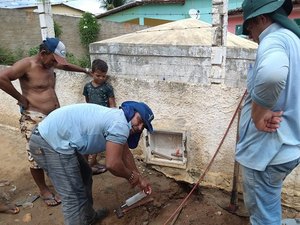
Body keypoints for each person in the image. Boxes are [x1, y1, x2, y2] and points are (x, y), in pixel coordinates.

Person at [28, 101, 154, 225]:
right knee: (73, 196)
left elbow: (125, 153)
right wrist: (131, 177)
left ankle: (88, 218)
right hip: (48, 143)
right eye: (139, 120)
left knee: (85, 174)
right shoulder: (120, 124)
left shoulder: (119, 118)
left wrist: (139, 178)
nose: (139, 127)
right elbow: (113, 164)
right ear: (132, 112)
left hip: (57, 139)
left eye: (143, 126)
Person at [0, 37, 91, 207]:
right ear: (43, 53)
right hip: (34, 118)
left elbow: (65, 65)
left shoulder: (51, 64)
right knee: (35, 156)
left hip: (54, 118)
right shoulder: (27, 65)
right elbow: (2, 77)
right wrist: (20, 98)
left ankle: (60, 183)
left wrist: (86, 70)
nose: (55, 63)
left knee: (58, 151)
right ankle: (43, 189)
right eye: (53, 59)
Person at [236, 0, 300, 224]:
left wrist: (257, 112)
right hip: (288, 148)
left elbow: (272, 74)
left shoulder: (273, 39)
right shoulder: (293, 41)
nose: (251, 36)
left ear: (262, 19)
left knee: (263, 218)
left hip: (266, 154)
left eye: (250, 28)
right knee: (270, 205)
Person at [83, 59, 116, 175]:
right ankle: (87, 164)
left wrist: (112, 117)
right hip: (91, 117)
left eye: (103, 76)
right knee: (88, 140)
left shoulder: (107, 88)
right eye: (98, 75)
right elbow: (87, 101)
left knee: (97, 140)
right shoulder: (87, 87)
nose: (101, 78)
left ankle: (92, 162)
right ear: (92, 73)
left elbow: (112, 104)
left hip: (103, 118)